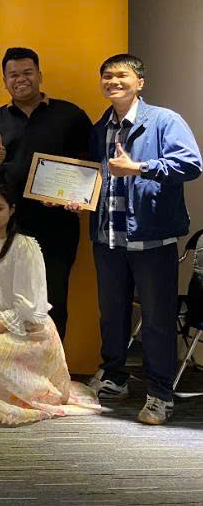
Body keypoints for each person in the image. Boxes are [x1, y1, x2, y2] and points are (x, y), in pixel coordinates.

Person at [85, 54, 202, 425]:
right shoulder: (100, 127)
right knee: (112, 315)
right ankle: (115, 378)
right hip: (108, 238)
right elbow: (93, 177)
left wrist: (139, 167)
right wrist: (79, 198)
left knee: (157, 320)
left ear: (140, 82)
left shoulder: (165, 121)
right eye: (107, 76)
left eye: (122, 75)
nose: (113, 81)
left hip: (152, 240)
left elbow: (191, 164)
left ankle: (160, 395)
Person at [0, 182, 102, 425]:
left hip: (30, 332)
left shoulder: (24, 245)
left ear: (11, 210)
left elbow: (26, 307)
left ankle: (22, 393)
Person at [0, 47, 92, 339]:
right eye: (13, 75)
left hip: (57, 226)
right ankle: (10, 360)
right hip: (7, 225)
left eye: (27, 72)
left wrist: (77, 198)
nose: (21, 79)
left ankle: (50, 362)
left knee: (53, 299)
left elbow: (90, 167)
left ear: (39, 75)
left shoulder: (70, 115)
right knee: (6, 299)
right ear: (5, 81)